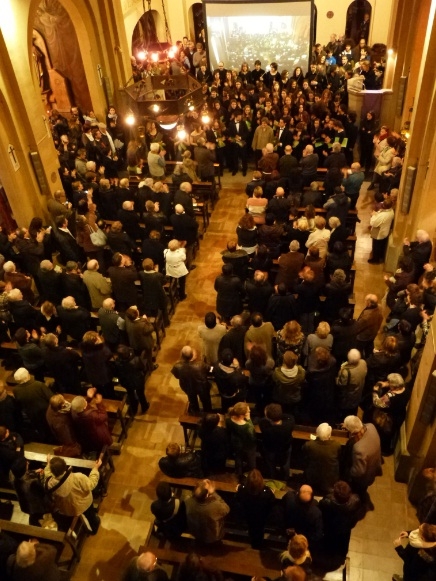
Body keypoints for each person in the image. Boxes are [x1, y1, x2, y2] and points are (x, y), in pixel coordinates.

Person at [43, 455, 101, 534]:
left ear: (52, 471)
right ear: (65, 466)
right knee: (91, 517)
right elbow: (91, 484)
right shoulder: (78, 477)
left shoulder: (49, 484)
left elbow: (48, 476)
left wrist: (48, 465)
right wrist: (95, 469)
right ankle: (93, 529)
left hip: (67, 510)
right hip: (84, 504)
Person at [342, 415, 382, 507]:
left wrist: (348, 473)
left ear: (352, 432)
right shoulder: (370, 426)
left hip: (363, 477)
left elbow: (358, 472)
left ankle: (357, 503)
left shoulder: (358, 449)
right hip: (373, 466)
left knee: (358, 491)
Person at [319, 480, 362, 562]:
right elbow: (356, 516)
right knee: (344, 542)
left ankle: (328, 552)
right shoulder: (355, 501)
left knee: (329, 540)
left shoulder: (327, 502)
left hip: (330, 526)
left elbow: (321, 508)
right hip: (345, 527)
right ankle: (341, 556)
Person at [368, 372, 410, 455]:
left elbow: (377, 403)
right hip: (399, 415)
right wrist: (387, 384)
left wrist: (375, 392)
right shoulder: (406, 389)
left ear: (393, 385)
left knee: (384, 434)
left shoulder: (389, 397)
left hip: (388, 419)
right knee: (391, 433)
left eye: (389, 382)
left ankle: (383, 450)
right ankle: (387, 448)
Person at [235, 469, 275, 549]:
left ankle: (253, 541)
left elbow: (238, 497)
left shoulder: (243, 490)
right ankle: (258, 545)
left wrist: (239, 487)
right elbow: (272, 502)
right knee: (260, 530)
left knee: (251, 528)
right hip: (261, 516)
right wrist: (271, 492)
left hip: (248, 514)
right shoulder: (266, 493)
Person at [12, 368, 53, 442]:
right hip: (46, 411)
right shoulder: (38, 385)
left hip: (31, 413)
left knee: (40, 427)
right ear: (28, 376)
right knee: (49, 427)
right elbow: (51, 398)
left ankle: (44, 439)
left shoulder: (15, 390)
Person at [185, 479, 230, 544]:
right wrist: (214, 493)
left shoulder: (188, 502)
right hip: (212, 537)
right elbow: (226, 509)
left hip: (195, 533)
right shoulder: (215, 506)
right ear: (206, 495)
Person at [302, 423, 342, 495]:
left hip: (312, 478)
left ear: (317, 433)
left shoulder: (309, 445)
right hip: (330, 480)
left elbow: (304, 457)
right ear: (329, 435)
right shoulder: (336, 445)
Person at [70, 387, 112, 455]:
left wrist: (89, 397)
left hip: (85, 435)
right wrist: (99, 403)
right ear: (85, 406)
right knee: (100, 446)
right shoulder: (91, 416)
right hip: (97, 435)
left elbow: (81, 405)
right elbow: (104, 416)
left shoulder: (74, 411)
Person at [10, 457, 49, 526]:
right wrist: (46, 471)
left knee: (32, 516)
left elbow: (24, 475)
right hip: (36, 506)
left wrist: (34, 472)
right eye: (26, 464)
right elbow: (42, 493)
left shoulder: (13, 476)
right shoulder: (32, 483)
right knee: (37, 519)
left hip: (25, 505)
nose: (28, 463)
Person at [171, 346, 212, 413]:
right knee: (206, 401)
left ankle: (195, 413)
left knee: (192, 401)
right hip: (202, 387)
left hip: (188, 387)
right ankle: (208, 414)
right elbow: (210, 369)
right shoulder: (200, 364)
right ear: (192, 355)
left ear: (182, 355)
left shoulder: (177, 366)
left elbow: (177, 376)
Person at [259, 403, 294, 479]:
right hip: (284, 448)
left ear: (268, 418)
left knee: (270, 464)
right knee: (285, 464)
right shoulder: (289, 424)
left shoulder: (265, 427)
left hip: (270, 448)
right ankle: (285, 478)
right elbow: (289, 416)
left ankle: (272, 477)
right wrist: (278, 414)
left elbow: (262, 420)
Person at [114, 345, 149, 415]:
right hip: (138, 380)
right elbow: (143, 367)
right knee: (141, 394)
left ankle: (134, 409)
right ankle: (144, 406)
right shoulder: (136, 360)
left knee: (131, 394)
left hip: (127, 382)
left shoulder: (117, 363)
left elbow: (116, 373)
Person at [226, 402, 256, 477]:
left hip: (236, 442)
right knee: (251, 461)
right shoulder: (246, 425)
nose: (250, 411)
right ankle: (252, 475)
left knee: (238, 458)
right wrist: (249, 419)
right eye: (248, 411)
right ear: (242, 415)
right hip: (247, 445)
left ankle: (238, 474)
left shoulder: (228, 419)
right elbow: (252, 436)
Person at [336, 349, 367, 418]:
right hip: (358, 394)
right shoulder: (363, 363)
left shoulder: (346, 372)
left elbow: (341, 384)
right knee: (354, 411)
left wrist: (337, 377)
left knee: (345, 414)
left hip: (348, 398)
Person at [369, 199, 395, 264]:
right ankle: (380, 257)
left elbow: (373, 223)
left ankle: (375, 260)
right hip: (385, 231)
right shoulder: (391, 211)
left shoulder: (383, 215)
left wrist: (373, 215)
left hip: (379, 232)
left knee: (376, 246)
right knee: (381, 245)